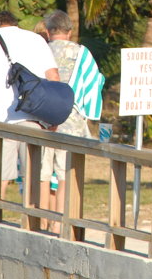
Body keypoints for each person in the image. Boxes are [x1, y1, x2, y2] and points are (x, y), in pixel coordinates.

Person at [0, 11, 61, 201]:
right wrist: (54, 118)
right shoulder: (36, 40)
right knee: (34, 179)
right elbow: (54, 78)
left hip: (0, 121)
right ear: (16, 24)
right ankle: (33, 225)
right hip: (34, 119)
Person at [37, 11, 106, 222]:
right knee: (65, 174)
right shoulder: (81, 52)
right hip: (71, 119)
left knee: (42, 174)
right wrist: (90, 113)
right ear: (69, 32)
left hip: (41, 119)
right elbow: (95, 82)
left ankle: (39, 221)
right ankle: (59, 225)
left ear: (48, 31)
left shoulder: (39, 50)